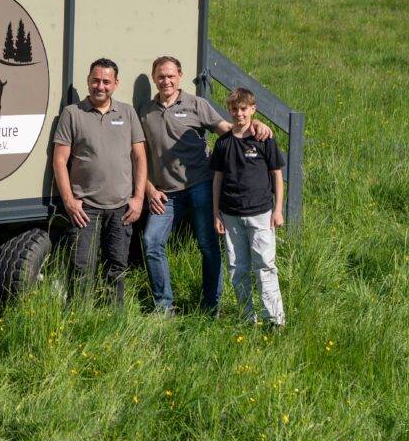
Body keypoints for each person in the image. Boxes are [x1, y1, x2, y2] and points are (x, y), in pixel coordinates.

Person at [138, 56, 272, 316]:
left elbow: (228, 129)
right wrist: (149, 188)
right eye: (160, 76)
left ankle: (212, 305)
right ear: (154, 78)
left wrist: (254, 124)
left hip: (200, 185)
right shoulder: (144, 111)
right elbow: (139, 155)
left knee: (207, 245)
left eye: (170, 75)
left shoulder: (196, 105)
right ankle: (163, 306)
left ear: (179, 76)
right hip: (164, 193)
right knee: (151, 241)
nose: (166, 80)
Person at [52, 58, 146, 305]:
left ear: (116, 83)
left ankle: (113, 319)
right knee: (82, 267)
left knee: (117, 266)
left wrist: (138, 199)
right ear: (88, 81)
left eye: (106, 81)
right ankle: (81, 317)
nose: (100, 86)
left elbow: (139, 157)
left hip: (121, 207)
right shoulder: (72, 114)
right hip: (86, 208)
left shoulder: (127, 113)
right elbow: (60, 161)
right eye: (95, 80)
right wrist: (70, 202)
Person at [210, 88, 286, 326]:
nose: (239, 114)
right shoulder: (223, 143)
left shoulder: (264, 139)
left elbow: (277, 176)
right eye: (234, 109)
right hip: (230, 214)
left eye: (244, 109)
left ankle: (274, 319)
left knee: (265, 265)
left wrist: (278, 210)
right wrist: (216, 213)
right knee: (237, 267)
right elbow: (217, 180)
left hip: (261, 213)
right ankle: (246, 317)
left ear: (253, 109)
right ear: (229, 110)